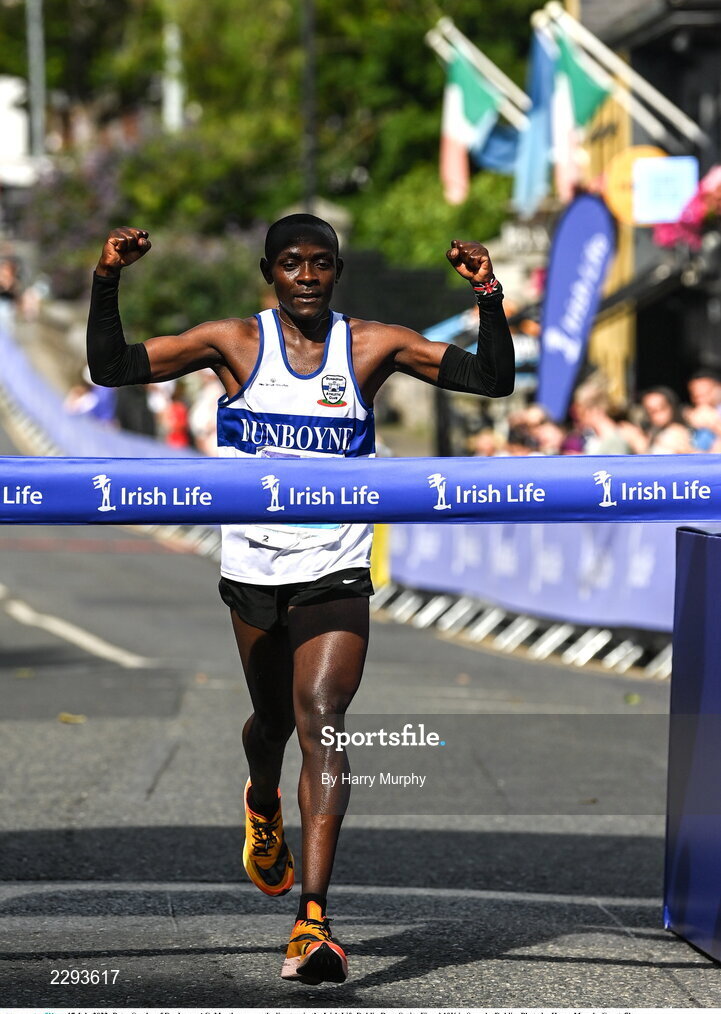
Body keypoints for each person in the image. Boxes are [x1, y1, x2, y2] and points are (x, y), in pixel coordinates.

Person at [86, 214, 515, 985]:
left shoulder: (375, 345)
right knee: (273, 722)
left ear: (337, 272)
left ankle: (312, 922)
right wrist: (108, 278)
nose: (308, 277)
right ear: (269, 272)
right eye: (292, 264)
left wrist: (487, 292)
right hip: (254, 565)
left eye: (321, 264)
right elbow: (112, 367)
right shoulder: (232, 342)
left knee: (322, 719)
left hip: (338, 566)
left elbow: (490, 380)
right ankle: (260, 797)